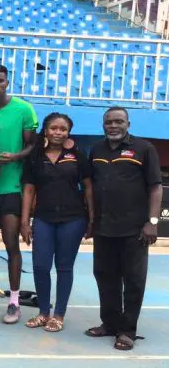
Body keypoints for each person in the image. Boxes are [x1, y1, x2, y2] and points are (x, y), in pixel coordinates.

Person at [85, 107, 161, 351]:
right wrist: (91, 221)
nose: (113, 126)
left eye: (119, 121)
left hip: (134, 229)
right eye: (109, 122)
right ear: (103, 124)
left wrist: (152, 222)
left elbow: (155, 187)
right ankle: (109, 324)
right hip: (104, 228)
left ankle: (127, 331)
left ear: (128, 124)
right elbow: (91, 185)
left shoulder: (144, 148)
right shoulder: (96, 149)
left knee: (133, 281)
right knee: (105, 277)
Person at [0, 64, 38, 324]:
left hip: (10, 188)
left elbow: (33, 146)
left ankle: (13, 302)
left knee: (11, 244)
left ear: (7, 82)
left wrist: (14, 156)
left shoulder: (23, 109)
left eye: (0, 80)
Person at [20, 113, 94, 333]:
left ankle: (59, 315)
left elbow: (88, 187)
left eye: (63, 129)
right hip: (43, 218)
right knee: (40, 266)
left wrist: (92, 218)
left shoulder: (77, 155)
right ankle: (44, 312)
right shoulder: (35, 156)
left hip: (73, 219)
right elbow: (29, 189)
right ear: (45, 130)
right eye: (54, 128)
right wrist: (25, 221)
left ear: (68, 132)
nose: (58, 132)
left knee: (64, 267)